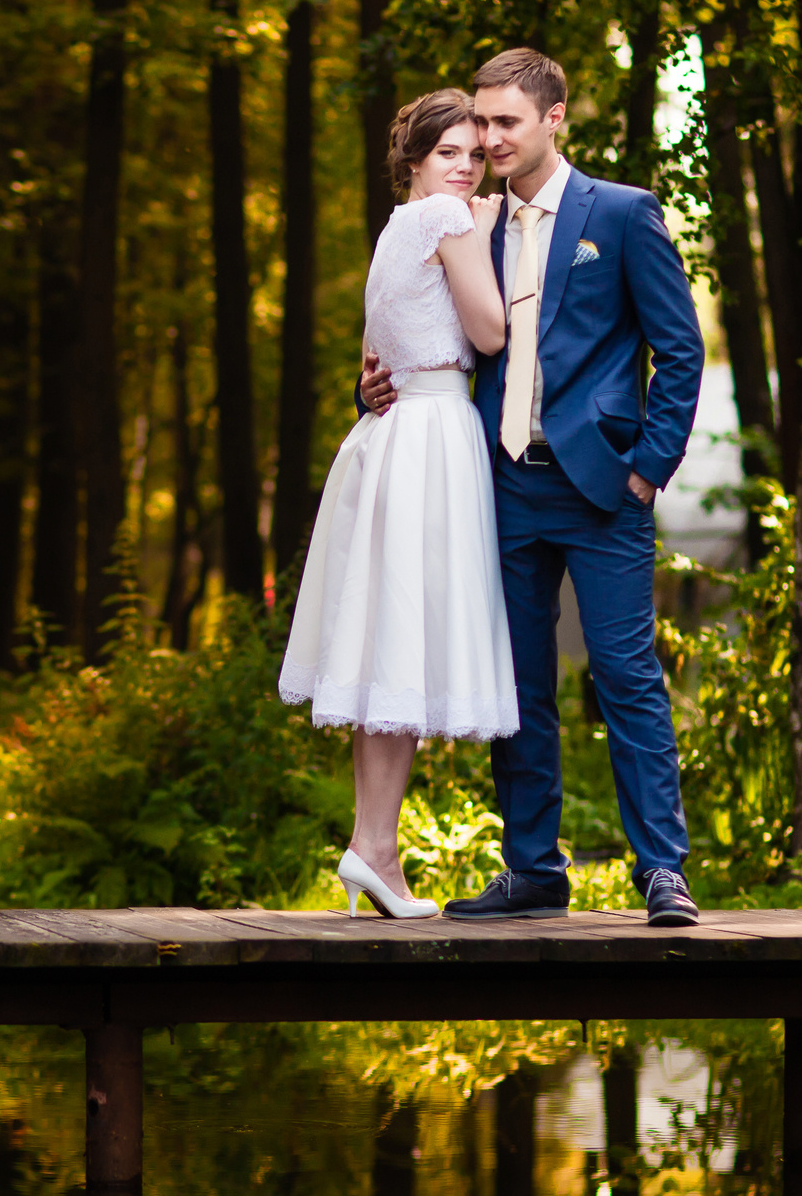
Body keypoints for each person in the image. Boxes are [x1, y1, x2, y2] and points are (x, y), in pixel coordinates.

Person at [358, 49, 705, 927]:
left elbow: (681, 348)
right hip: (499, 485)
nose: (489, 139)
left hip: (602, 491)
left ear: (555, 119)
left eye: (507, 123)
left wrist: (645, 471)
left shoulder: (622, 215)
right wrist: (364, 387)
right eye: (481, 123)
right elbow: (415, 324)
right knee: (516, 687)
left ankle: (662, 870)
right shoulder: (463, 218)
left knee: (627, 678)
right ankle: (532, 869)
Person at [279, 89, 518, 919]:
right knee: (403, 645)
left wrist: (371, 383)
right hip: (429, 439)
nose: (465, 166)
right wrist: (486, 236)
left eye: (473, 155)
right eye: (448, 153)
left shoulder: (393, 229)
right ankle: (375, 848)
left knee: (392, 648)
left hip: (394, 434)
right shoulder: (449, 223)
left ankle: (371, 847)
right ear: (414, 161)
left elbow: (372, 354)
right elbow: (490, 334)